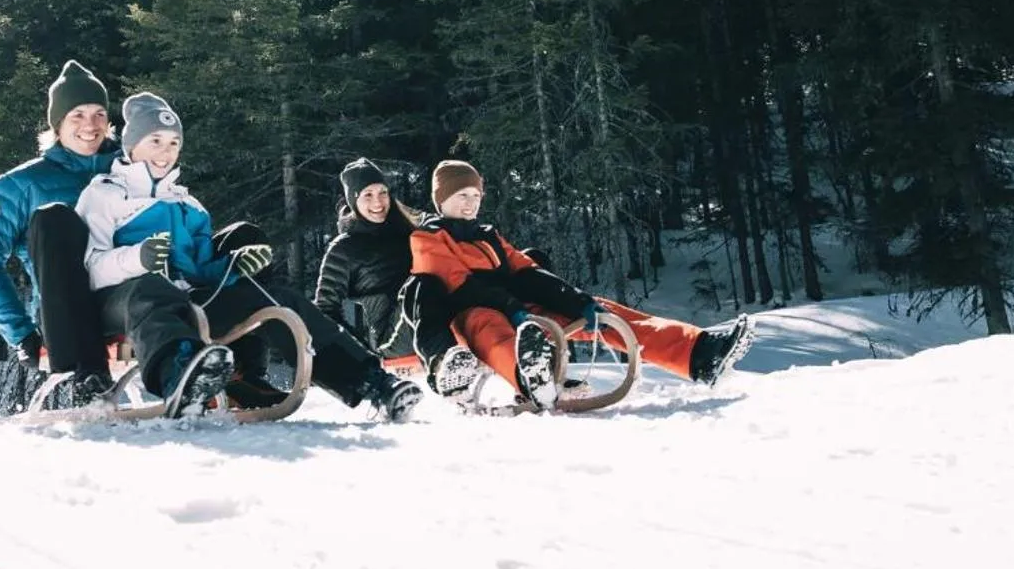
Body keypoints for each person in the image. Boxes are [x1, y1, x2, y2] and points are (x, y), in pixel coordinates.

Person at [76, 92, 425, 421]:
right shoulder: (105, 194)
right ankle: (180, 378)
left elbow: (199, 274)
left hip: (185, 301)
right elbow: (88, 270)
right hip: (121, 305)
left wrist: (231, 266)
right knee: (148, 287)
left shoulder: (188, 205)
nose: (165, 152)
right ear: (131, 143)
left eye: (173, 143)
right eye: (155, 141)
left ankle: (371, 382)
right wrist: (137, 258)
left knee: (279, 301)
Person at [410, 159, 754, 409]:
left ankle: (700, 353)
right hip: (466, 316)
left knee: (607, 313)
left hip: (521, 311)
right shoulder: (427, 238)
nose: (471, 203)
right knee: (491, 326)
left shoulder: (488, 236)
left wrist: (576, 302)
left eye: (475, 195)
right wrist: (515, 313)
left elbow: (526, 271)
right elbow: (460, 286)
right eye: (462, 196)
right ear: (442, 200)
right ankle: (531, 380)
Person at [0, 60, 123, 409]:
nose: (90, 125)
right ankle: (86, 371)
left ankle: (240, 377)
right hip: (65, 317)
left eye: (99, 114)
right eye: (77, 115)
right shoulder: (21, 185)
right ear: (57, 124)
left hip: (128, 303)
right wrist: (20, 333)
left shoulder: (131, 170)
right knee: (55, 219)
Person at [313, 158, 479, 398]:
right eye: (367, 195)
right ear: (353, 200)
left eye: (383, 192)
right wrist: (359, 352)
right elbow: (325, 309)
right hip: (389, 340)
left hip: (432, 313)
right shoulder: (344, 249)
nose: (378, 202)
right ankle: (443, 363)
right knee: (423, 284)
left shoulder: (409, 230)